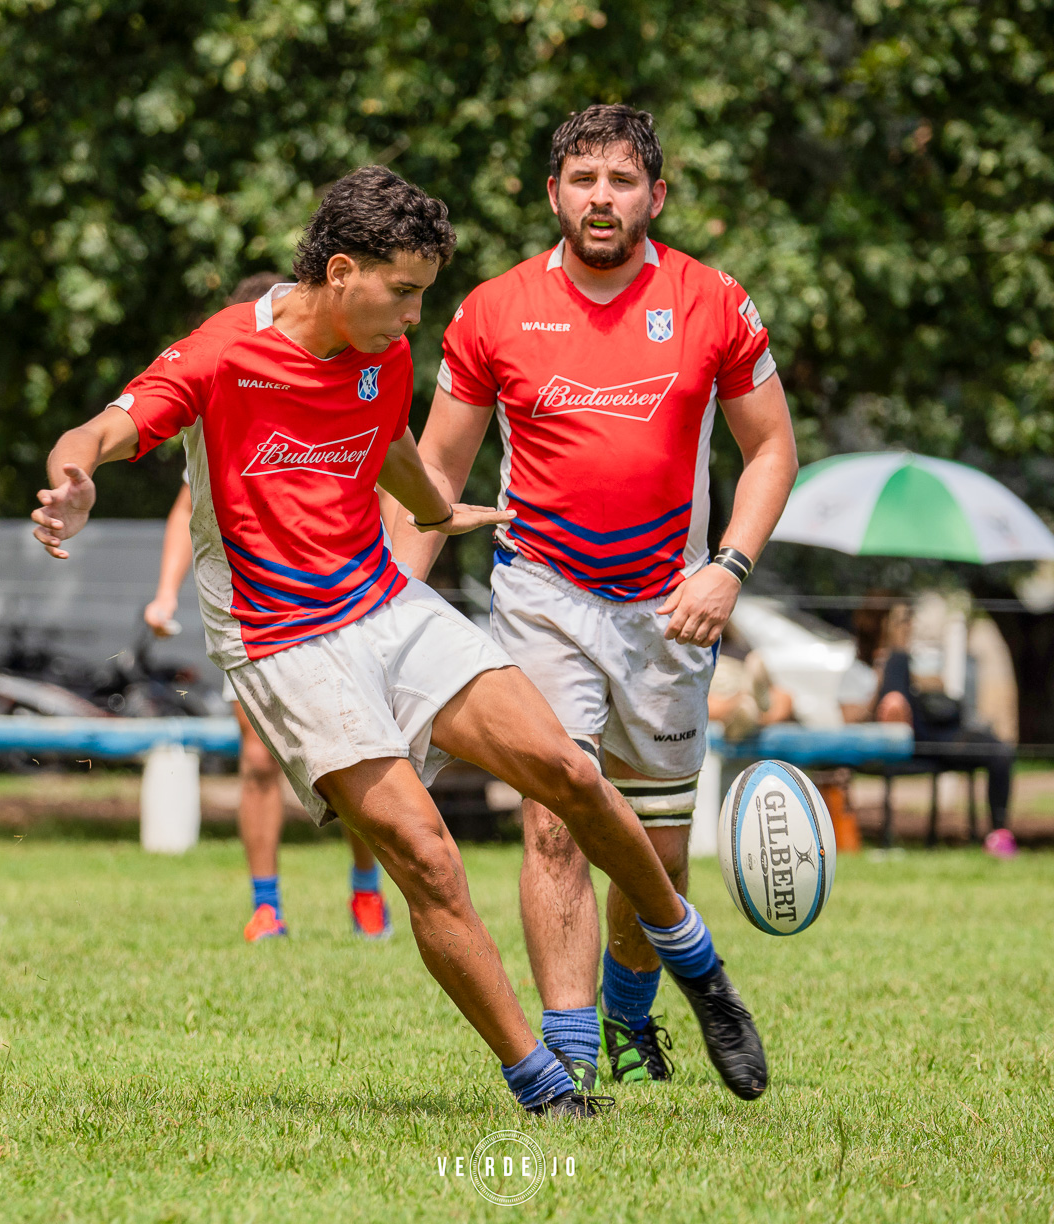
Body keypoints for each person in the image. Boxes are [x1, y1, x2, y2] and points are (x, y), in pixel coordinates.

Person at [31, 166, 766, 1115]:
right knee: (428, 855)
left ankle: (696, 966)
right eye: (405, 292)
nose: (417, 316)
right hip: (281, 637)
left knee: (570, 775)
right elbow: (97, 431)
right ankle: (542, 1083)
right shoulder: (222, 354)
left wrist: (439, 510)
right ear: (341, 271)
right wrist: (75, 481)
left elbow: (390, 446)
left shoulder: (379, 348)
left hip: (381, 597)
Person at [393, 105, 798, 1090]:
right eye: (583, 180)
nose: (602, 198)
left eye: (622, 181)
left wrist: (728, 569)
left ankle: (628, 1017)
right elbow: (432, 480)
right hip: (541, 593)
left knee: (650, 853)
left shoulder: (716, 303)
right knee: (555, 816)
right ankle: (571, 1057)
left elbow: (773, 450)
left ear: (656, 196)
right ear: (554, 196)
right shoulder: (491, 311)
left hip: (670, 604)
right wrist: (383, 610)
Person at [144, 272, 393, 942]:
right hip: (255, 607)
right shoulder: (224, 391)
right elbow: (184, 508)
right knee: (257, 760)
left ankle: (366, 889)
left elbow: (387, 472)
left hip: (338, 598)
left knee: (357, 759)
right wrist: (167, 594)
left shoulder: (345, 383)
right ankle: (266, 904)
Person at [859, 602, 1018, 855]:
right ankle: (999, 834)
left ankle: (999, 833)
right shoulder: (890, 662)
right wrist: (897, 653)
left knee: (1000, 750)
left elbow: (941, 692)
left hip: (944, 733)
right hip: (928, 741)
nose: (908, 627)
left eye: (908, 623)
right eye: (901, 623)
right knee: (1000, 753)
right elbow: (887, 706)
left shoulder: (916, 662)